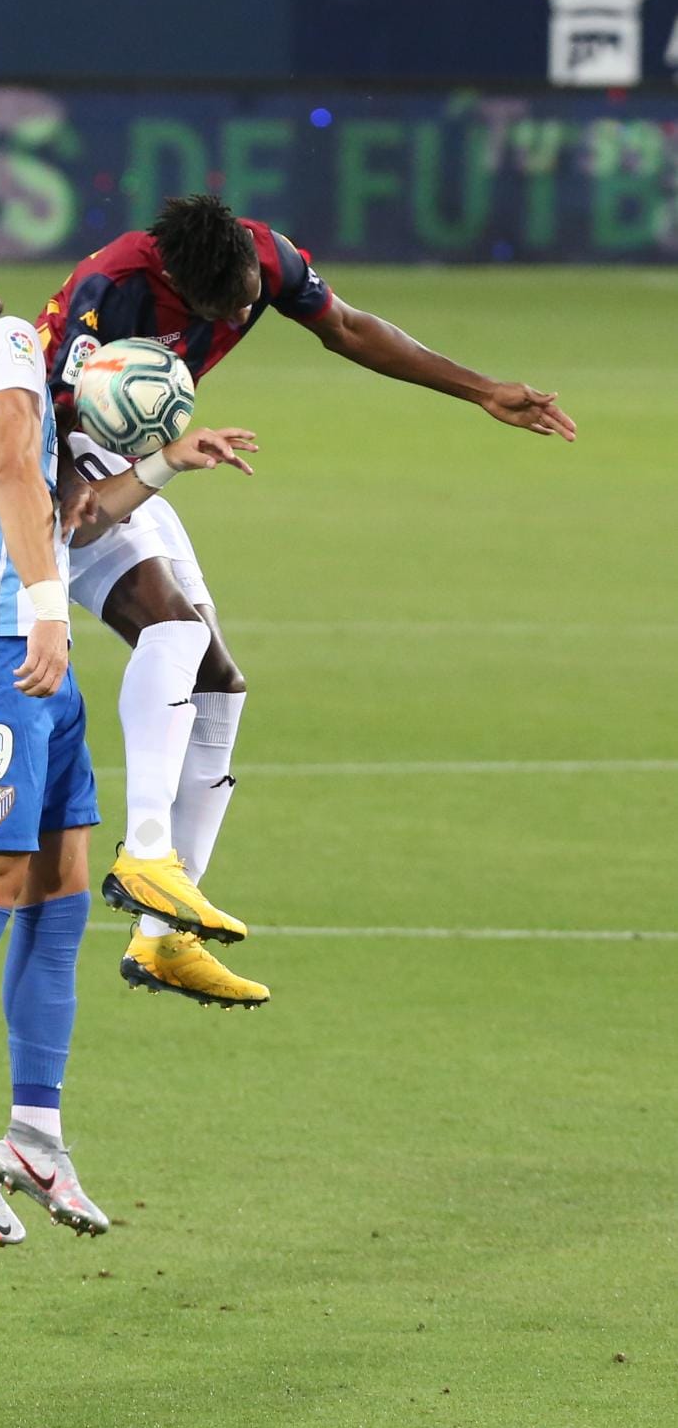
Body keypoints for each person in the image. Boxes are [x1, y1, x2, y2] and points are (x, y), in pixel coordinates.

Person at [38, 193, 577, 1009]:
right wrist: (79, 495)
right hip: (56, 464)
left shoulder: (266, 256)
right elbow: (38, 409)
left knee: (219, 688)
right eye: (227, 308)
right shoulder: (108, 288)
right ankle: (146, 852)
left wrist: (480, 390)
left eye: (252, 295)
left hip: (134, 456)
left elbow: (351, 329)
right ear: (177, 280)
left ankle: (164, 941)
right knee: (174, 633)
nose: (247, 311)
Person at [0, 218, 255, 1245]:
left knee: (62, 891)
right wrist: (40, 614)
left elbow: (65, 513)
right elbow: (17, 477)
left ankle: (34, 1131)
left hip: (27, 654)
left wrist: (162, 465)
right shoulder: (0, 346)